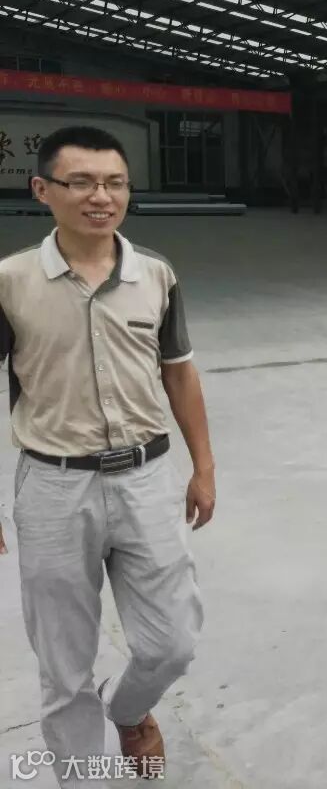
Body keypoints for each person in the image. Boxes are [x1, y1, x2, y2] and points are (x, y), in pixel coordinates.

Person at [0, 125, 215, 786]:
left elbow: (179, 373)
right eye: (83, 182)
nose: (102, 196)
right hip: (53, 486)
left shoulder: (155, 274)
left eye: (115, 183)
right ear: (43, 190)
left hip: (146, 479)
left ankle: (127, 709)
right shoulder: (10, 281)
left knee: (172, 642)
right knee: (64, 667)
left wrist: (204, 467)